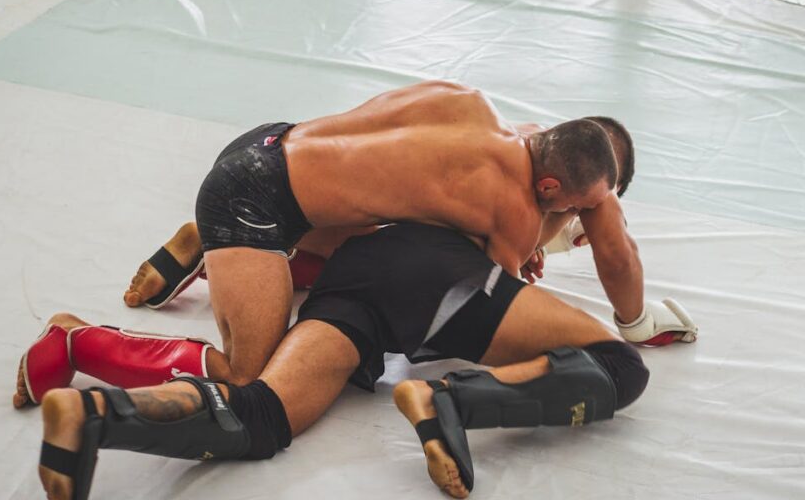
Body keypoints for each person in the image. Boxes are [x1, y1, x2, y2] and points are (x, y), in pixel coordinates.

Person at [32, 223, 651, 500]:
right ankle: (455, 402)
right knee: (622, 364)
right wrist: (634, 313)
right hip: (444, 277)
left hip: (353, 277)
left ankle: (98, 414)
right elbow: (601, 243)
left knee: (261, 412)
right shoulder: (538, 196)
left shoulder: (456, 155)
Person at [116, 80, 648, 393]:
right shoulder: (512, 204)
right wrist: (535, 241)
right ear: (552, 186)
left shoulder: (469, 103)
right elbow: (494, 298)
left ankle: (207, 244)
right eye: (577, 208)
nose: (576, 218)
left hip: (266, 141)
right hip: (250, 202)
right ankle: (82, 342)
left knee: (378, 229)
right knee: (250, 375)